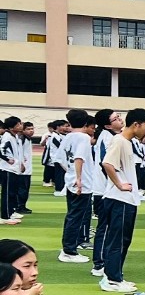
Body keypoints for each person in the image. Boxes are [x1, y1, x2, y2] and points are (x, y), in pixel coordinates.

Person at [98, 108, 145, 294]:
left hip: (128, 199)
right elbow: (107, 163)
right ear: (136, 124)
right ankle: (112, 279)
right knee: (117, 240)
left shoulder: (127, 142)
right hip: (118, 198)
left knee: (124, 240)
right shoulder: (119, 141)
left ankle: (115, 275)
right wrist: (120, 184)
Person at [88, 109, 122, 278]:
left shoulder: (111, 136)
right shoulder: (107, 137)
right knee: (105, 227)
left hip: (108, 189)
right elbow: (105, 163)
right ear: (108, 124)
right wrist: (117, 183)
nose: (120, 120)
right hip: (104, 191)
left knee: (110, 227)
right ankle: (99, 263)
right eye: (116, 118)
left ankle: (104, 260)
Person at [58, 111, 94, 263]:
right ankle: (69, 251)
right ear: (86, 122)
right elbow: (79, 157)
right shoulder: (83, 137)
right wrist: (79, 178)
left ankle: (68, 247)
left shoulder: (68, 137)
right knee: (76, 216)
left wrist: (71, 173)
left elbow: (60, 159)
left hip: (71, 179)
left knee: (72, 215)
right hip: (81, 182)